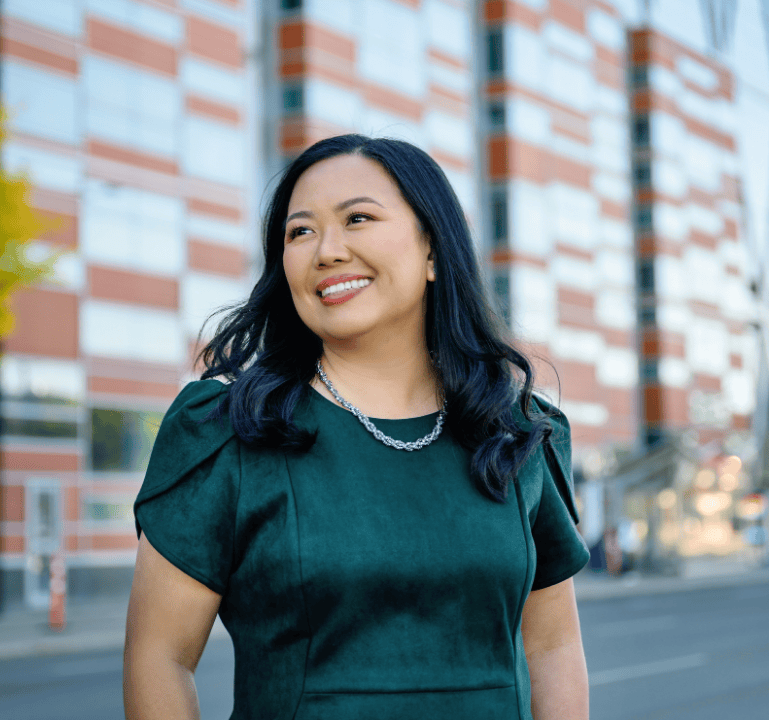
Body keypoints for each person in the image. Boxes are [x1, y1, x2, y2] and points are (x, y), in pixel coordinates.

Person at [123, 134, 591, 720]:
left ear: (433, 252)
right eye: (300, 231)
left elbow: (552, 646)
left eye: (358, 218)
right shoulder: (226, 429)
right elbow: (159, 657)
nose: (327, 251)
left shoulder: (517, 431)